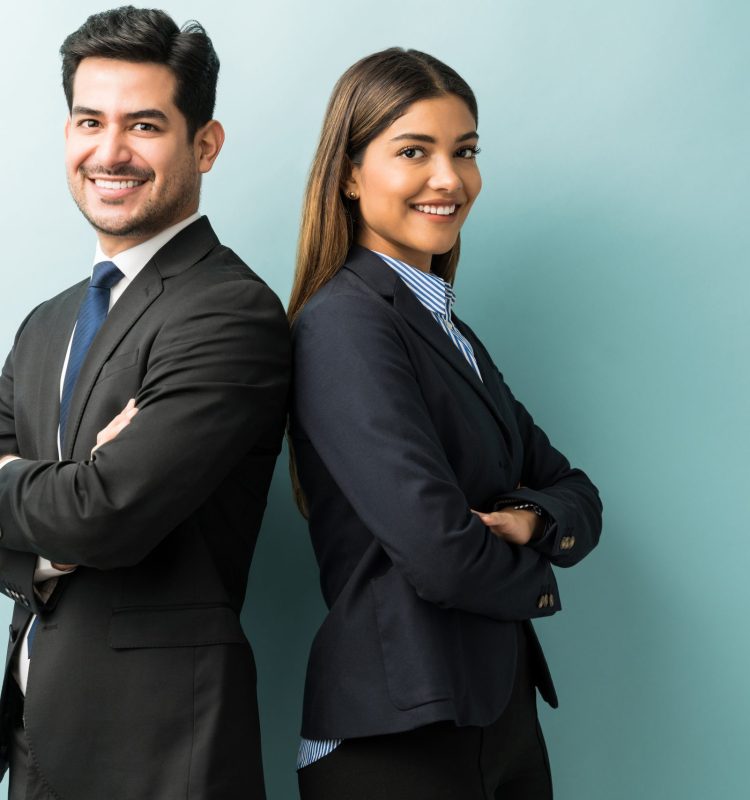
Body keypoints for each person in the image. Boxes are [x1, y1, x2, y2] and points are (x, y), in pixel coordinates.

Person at [288, 48, 603, 800]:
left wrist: (530, 518)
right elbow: (440, 552)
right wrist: (542, 579)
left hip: (496, 712)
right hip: (399, 734)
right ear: (350, 175)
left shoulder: (449, 332)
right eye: (413, 152)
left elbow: (574, 490)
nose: (449, 178)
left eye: (464, 152)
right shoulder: (344, 326)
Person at [0, 7, 289, 799]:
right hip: (33, 737)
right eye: (89, 121)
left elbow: (106, 514)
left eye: (144, 125)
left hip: (160, 753)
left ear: (205, 144)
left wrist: (67, 495)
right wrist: (65, 497)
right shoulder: (45, 324)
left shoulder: (231, 310)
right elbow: (81, 506)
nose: (110, 151)